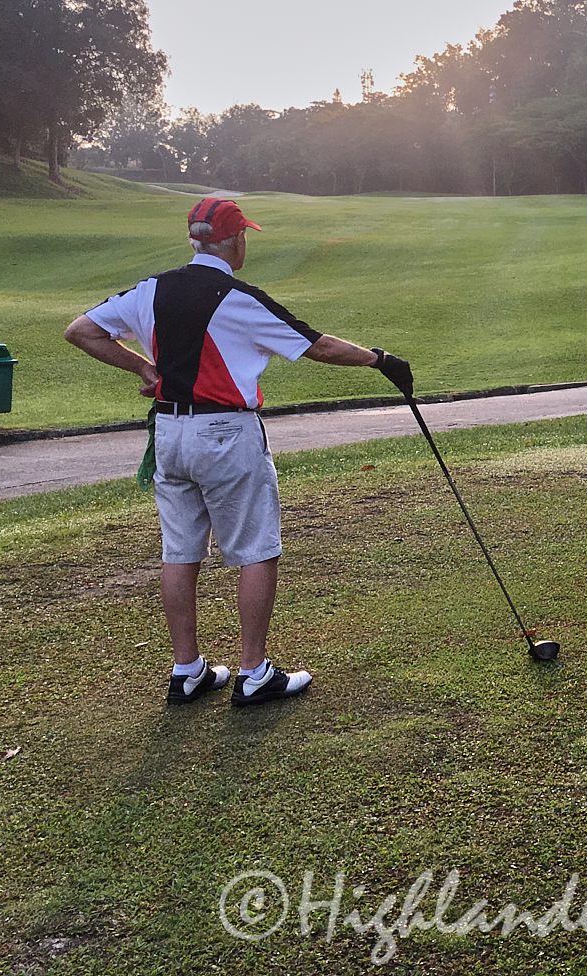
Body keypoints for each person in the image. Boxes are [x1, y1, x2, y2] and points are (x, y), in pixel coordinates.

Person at [64, 197, 415, 708]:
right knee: (256, 549)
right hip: (226, 433)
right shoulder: (239, 297)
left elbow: (81, 331)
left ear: (195, 240)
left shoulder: (149, 289)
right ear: (234, 241)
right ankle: (253, 673)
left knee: (180, 551)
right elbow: (317, 346)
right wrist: (379, 360)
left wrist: (144, 368)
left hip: (170, 433)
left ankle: (187, 671)